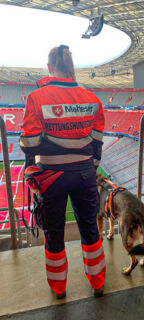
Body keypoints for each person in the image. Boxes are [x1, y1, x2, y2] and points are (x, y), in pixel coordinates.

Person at [20, 45, 106, 299]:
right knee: (90, 228)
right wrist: (87, 167)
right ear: (71, 67)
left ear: (50, 68)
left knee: (54, 232)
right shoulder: (92, 98)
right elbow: (97, 142)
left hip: (51, 177)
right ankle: (98, 283)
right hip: (84, 174)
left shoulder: (36, 97)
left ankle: (59, 289)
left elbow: (30, 143)